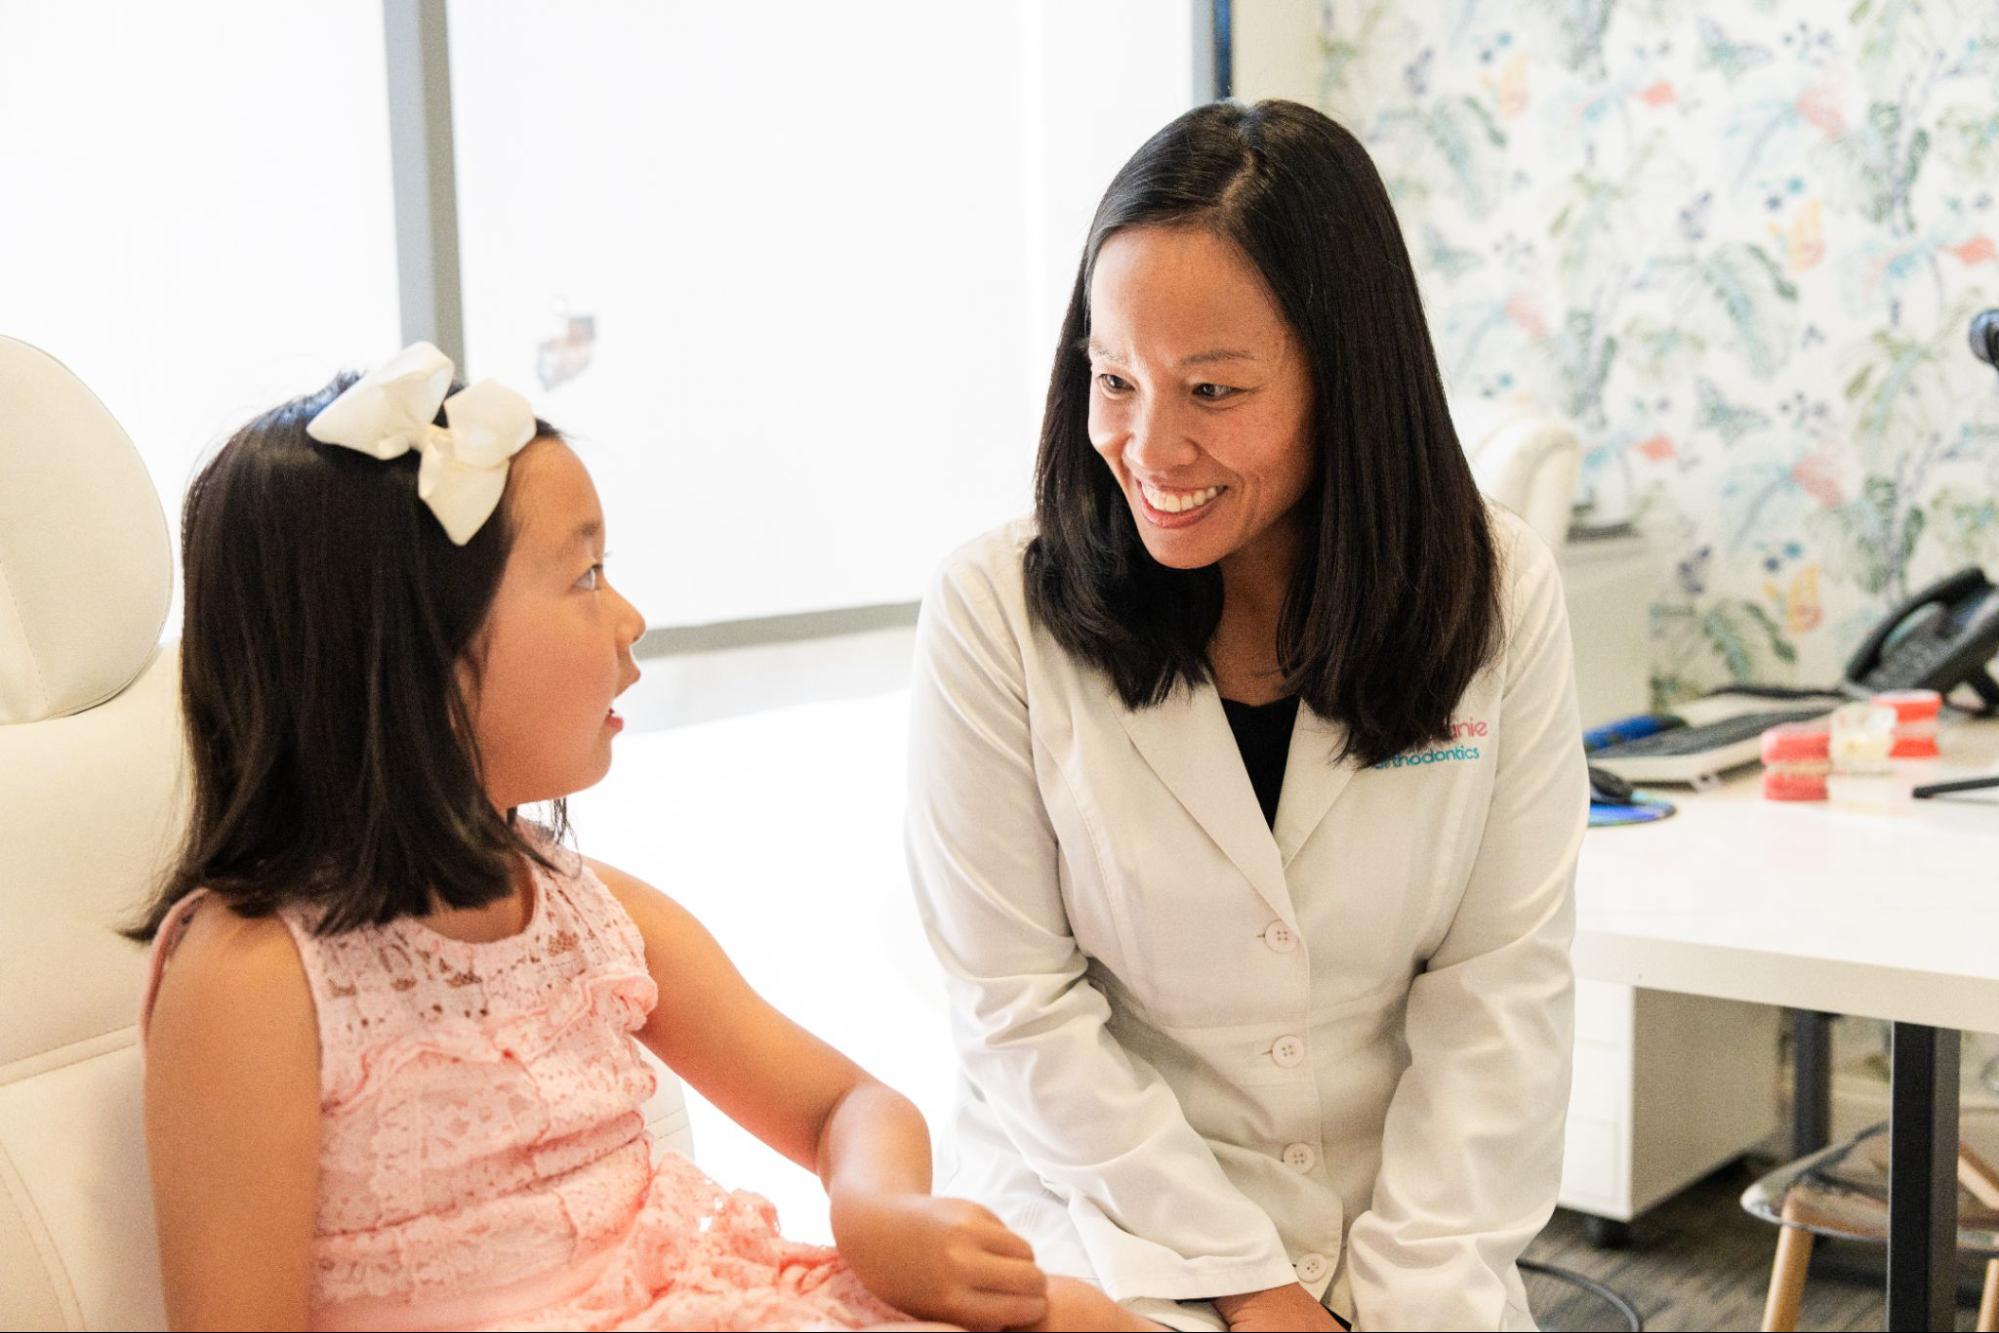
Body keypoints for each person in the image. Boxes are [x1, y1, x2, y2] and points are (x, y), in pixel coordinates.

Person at [134, 344, 1151, 1332]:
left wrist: (879, 1211)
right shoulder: (255, 974)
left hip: (714, 1298)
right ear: (408, 654)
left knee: (1080, 1316)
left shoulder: (582, 910)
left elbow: (848, 1103)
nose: (630, 618)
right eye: (583, 578)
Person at [905, 100, 1587, 1332]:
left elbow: (1497, 994)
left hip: (1400, 1223)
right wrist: (1253, 1289)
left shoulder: (1498, 593)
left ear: (1349, 379)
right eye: (1113, 379)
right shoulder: (991, 609)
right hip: (1100, 1215)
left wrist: (1414, 1291)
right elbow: (1015, 1006)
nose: (1148, 445)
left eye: (1212, 388)